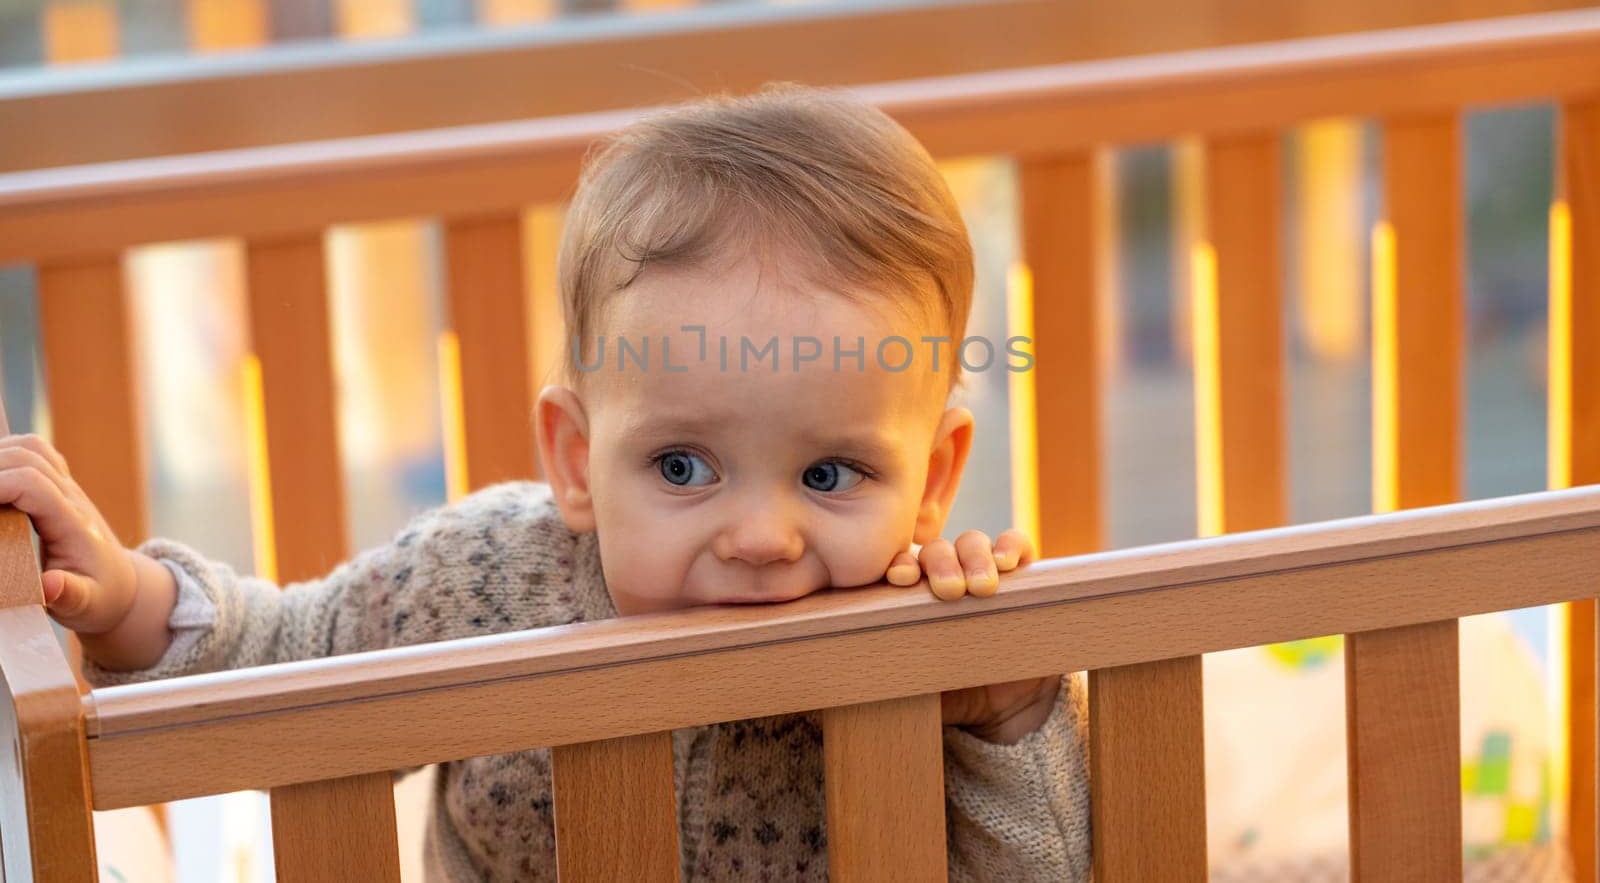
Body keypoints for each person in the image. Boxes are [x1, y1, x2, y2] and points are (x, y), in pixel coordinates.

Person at [5, 84, 1091, 880]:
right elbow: (283, 653)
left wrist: (1007, 710)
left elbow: (1063, 863)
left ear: (934, 474)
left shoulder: (928, 635)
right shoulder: (478, 578)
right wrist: (125, 595)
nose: (762, 533)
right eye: (681, 465)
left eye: (828, 472)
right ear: (575, 458)